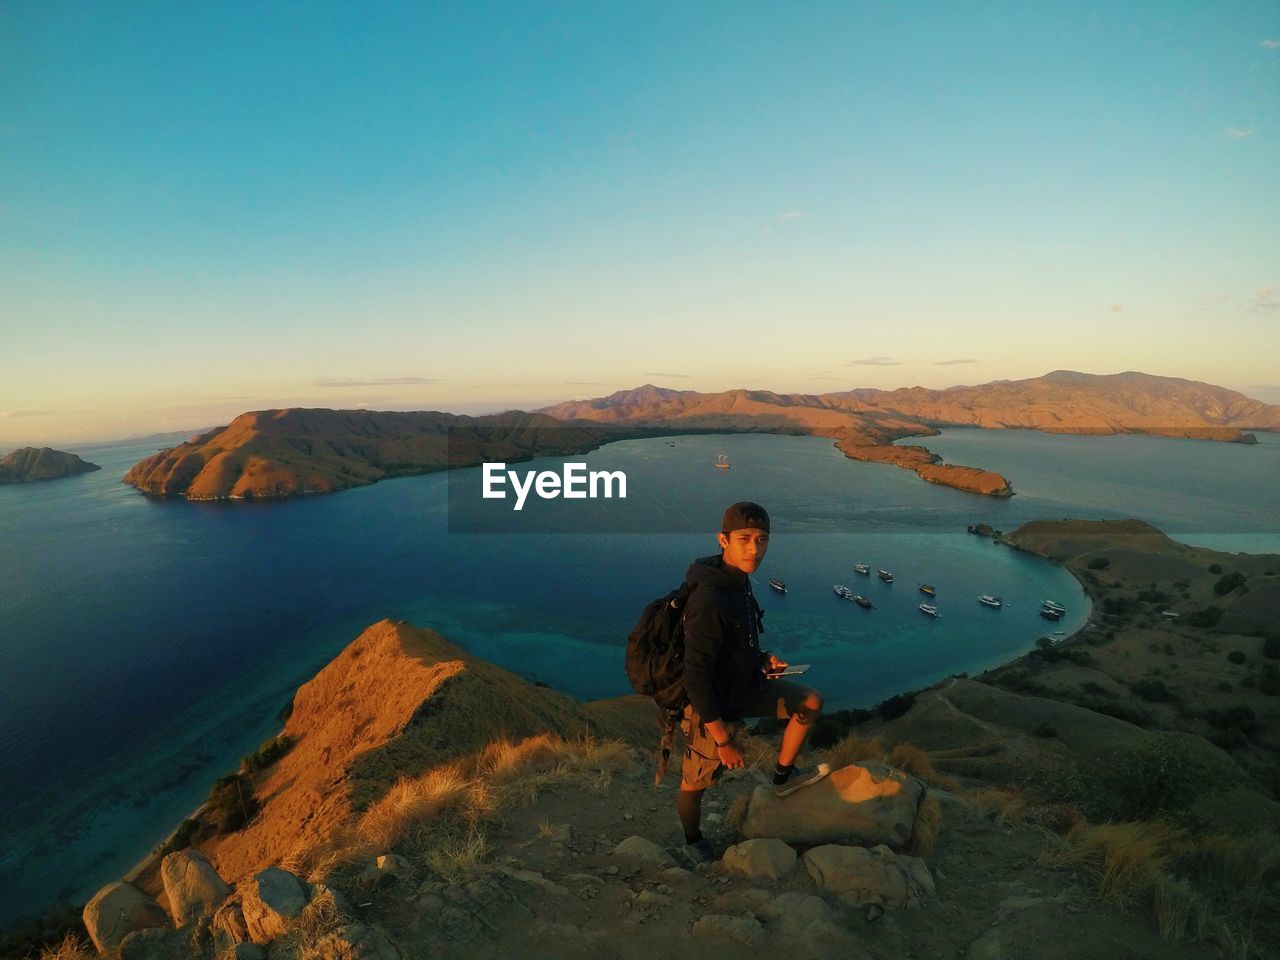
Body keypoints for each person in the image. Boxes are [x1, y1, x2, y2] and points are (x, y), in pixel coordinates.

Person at [677, 500, 828, 864]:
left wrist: (763, 660)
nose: (754, 549)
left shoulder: (740, 582)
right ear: (723, 540)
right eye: (744, 539)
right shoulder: (710, 597)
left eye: (762, 540)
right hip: (710, 706)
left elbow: (738, 641)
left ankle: (782, 777)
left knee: (809, 701)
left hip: (744, 686)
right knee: (694, 785)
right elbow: (695, 677)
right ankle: (692, 840)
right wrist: (724, 740)